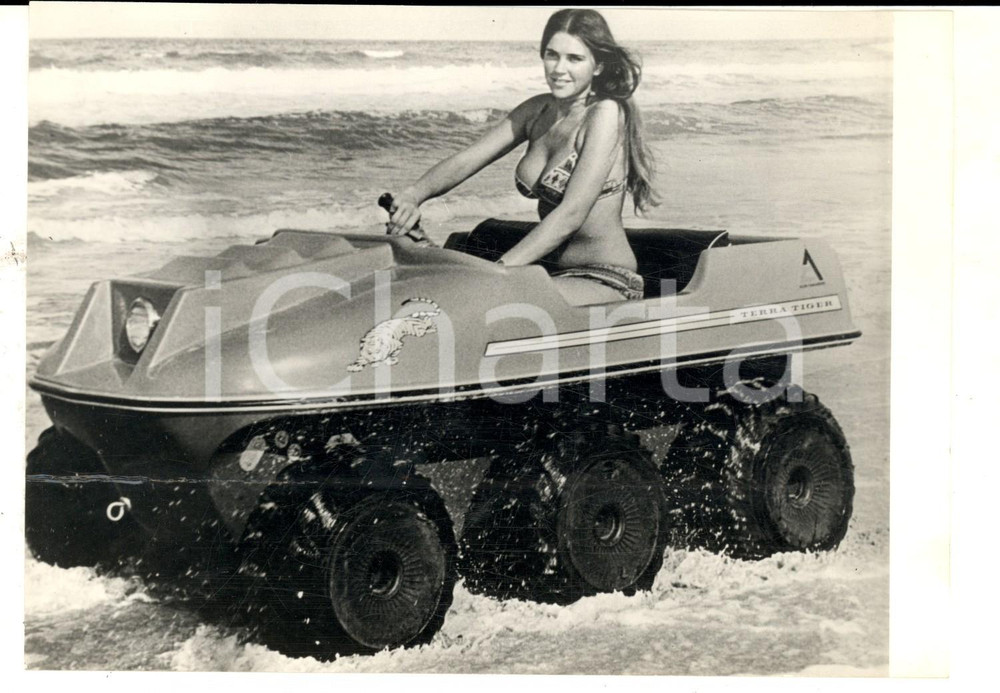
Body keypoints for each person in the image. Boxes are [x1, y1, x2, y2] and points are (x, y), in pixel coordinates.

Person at [386, 8, 657, 305]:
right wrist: (414, 195)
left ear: (598, 66)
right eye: (552, 55)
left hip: (604, 278)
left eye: (574, 58)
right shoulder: (537, 110)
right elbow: (469, 158)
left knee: (476, 301)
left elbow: (571, 214)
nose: (558, 68)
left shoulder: (605, 114)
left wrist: (498, 271)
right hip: (551, 272)